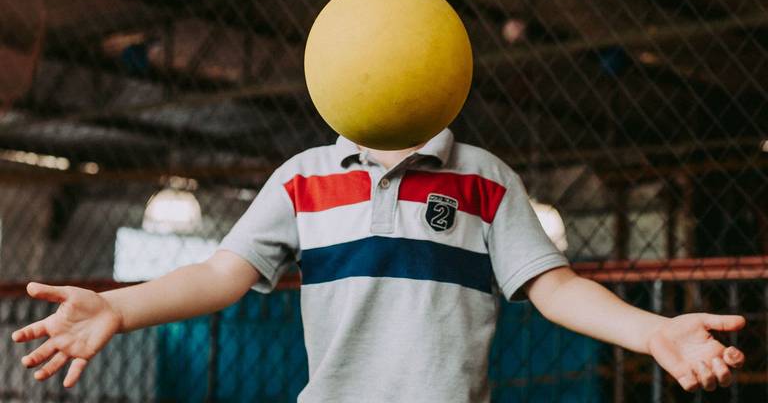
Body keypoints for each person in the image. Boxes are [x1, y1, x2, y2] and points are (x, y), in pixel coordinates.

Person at [13, 130, 745, 401]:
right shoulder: (303, 177)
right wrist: (118, 307)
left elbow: (554, 290)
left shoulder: (483, 179)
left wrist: (654, 333)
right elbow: (218, 275)